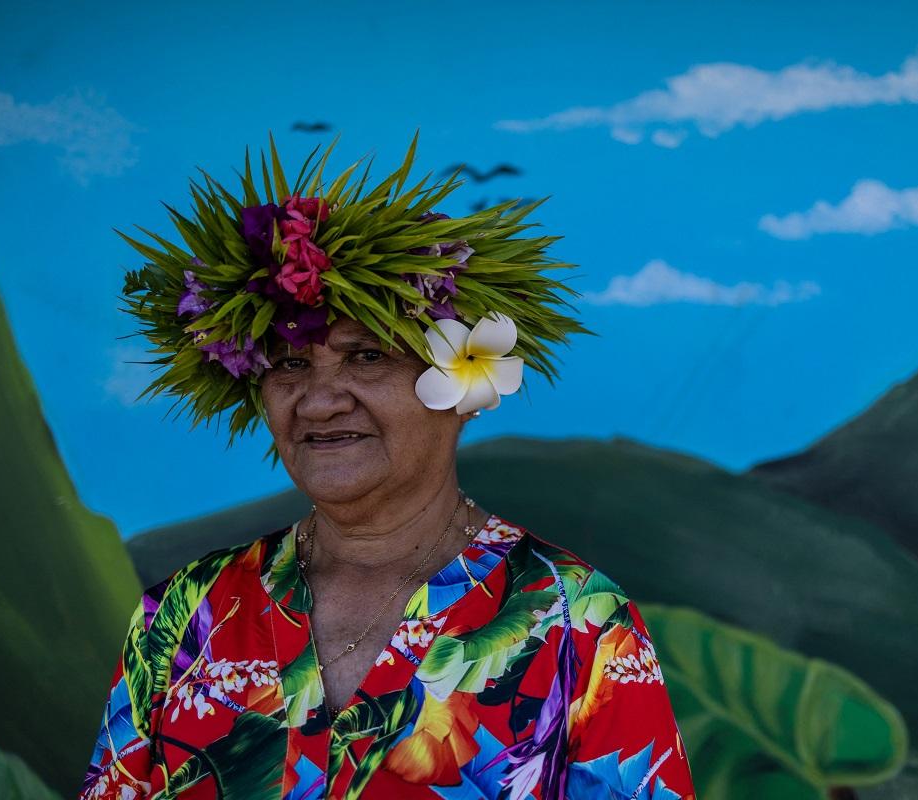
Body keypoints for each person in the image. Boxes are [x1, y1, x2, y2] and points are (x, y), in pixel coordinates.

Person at [79, 133, 697, 799]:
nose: (318, 401)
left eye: (366, 357)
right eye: (290, 364)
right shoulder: (186, 614)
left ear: (460, 386)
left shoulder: (578, 620)